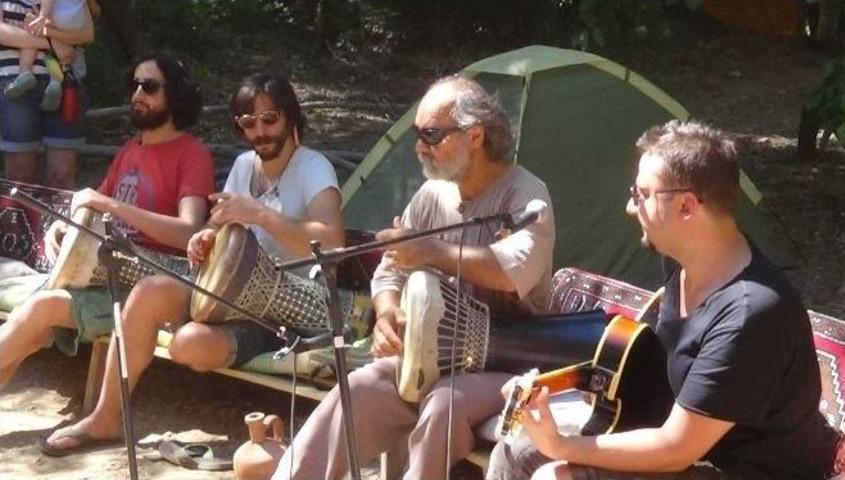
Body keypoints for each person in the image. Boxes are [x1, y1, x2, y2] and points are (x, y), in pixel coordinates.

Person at [487, 120, 838, 480]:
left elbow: (675, 449)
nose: (629, 206)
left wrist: (561, 446)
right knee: (515, 450)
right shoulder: (680, 260)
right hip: (684, 444)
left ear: (687, 206)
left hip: (739, 470)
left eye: (641, 194)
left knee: (552, 476)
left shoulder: (750, 314)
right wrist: (555, 386)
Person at [38, 73, 348, 456]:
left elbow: (332, 240)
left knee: (189, 346)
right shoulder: (243, 165)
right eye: (249, 123)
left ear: (290, 118)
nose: (260, 131)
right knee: (149, 290)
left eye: (270, 119)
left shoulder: (312, 167)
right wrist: (206, 237)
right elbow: (219, 225)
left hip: (284, 309)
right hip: (229, 291)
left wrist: (261, 216)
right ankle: (105, 418)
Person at [272, 75, 556, 480]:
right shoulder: (433, 193)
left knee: (443, 404)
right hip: (430, 357)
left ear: (475, 136)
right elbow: (391, 268)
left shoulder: (526, 194)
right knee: (361, 388)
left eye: (432, 134)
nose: (419, 146)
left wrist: (429, 252)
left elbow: (513, 272)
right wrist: (387, 314)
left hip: (511, 361)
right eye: (417, 133)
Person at [0, 52, 213, 393]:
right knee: (31, 328)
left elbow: (188, 231)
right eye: (134, 85)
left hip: (144, 288)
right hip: (100, 275)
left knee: (38, 312)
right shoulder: (131, 148)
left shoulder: (192, 154)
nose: (137, 94)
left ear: (174, 96)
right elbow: (91, 207)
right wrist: (64, 224)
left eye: (150, 86)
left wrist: (113, 206)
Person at [0, 0, 94, 189]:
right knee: (19, 178)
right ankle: (20, 219)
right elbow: (2, 33)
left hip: (65, 82)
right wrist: (53, 43)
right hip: (15, 84)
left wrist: (48, 35)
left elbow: (86, 33)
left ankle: (57, 219)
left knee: (62, 175)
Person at [5, 0, 91, 111]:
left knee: (30, 41)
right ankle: (55, 82)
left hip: (51, 22)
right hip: (70, 28)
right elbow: (88, 35)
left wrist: (41, 20)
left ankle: (25, 71)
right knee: (60, 59)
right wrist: (53, 41)